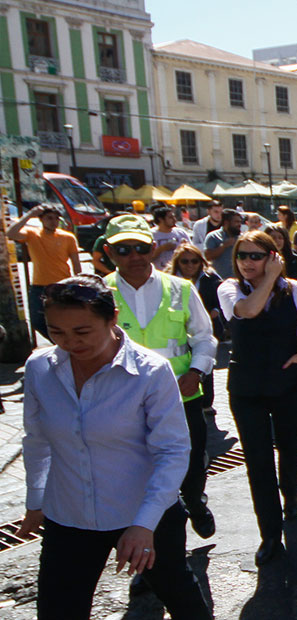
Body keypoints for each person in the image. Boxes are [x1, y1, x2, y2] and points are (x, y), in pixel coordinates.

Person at [18, 275, 212, 619]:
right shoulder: (40, 368)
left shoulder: (151, 372)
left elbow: (172, 451)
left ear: (112, 317)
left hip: (144, 511)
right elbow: (37, 440)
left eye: (82, 331)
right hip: (69, 515)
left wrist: (144, 525)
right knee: (57, 609)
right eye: (56, 332)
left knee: (183, 601)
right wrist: (36, 501)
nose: (69, 343)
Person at [103, 215, 217, 540]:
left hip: (182, 396)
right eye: (124, 249)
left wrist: (197, 372)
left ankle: (195, 501)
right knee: (140, 475)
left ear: (153, 248)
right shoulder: (100, 292)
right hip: (125, 402)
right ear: (110, 253)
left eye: (140, 248)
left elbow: (204, 337)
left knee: (193, 461)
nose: (133, 256)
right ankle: (152, 557)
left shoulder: (180, 288)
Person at [217, 231, 297, 566]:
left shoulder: (295, 289)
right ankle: (269, 532)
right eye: (243, 255)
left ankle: (292, 497)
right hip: (247, 387)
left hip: (287, 382)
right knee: (257, 461)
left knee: (289, 447)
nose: (247, 262)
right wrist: (269, 278)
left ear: (273, 256)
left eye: (256, 256)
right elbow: (249, 311)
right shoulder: (229, 288)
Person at [7, 205, 81, 339]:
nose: (53, 222)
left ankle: (65, 345)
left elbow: (76, 263)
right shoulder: (32, 234)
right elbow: (11, 233)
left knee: (63, 320)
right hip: (39, 286)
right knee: (37, 321)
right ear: (41, 220)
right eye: (49, 218)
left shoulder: (67, 237)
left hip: (62, 285)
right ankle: (60, 343)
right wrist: (30, 214)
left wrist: (79, 283)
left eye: (56, 219)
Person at [166, 243, 224, 413]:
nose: (190, 265)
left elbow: (220, 298)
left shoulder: (210, 278)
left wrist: (215, 310)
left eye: (194, 261)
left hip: (205, 328)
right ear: (178, 262)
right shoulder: (168, 281)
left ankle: (206, 402)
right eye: (185, 261)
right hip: (178, 330)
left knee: (205, 362)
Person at [204, 208, 244, 280]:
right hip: (219, 280)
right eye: (236, 222)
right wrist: (224, 246)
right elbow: (208, 256)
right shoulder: (213, 236)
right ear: (226, 223)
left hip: (239, 281)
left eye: (240, 222)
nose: (239, 224)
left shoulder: (242, 238)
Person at [151, 206, 191, 270]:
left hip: (179, 272)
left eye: (174, 217)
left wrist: (185, 247)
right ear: (160, 219)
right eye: (170, 217)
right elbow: (147, 258)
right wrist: (162, 249)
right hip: (160, 272)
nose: (174, 220)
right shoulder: (151, 235)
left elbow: (193, 253)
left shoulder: (181, 233)